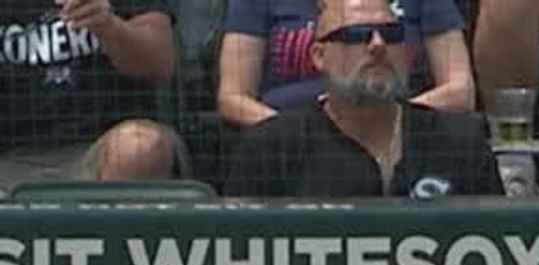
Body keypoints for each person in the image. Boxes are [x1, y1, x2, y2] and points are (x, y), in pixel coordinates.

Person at [226, 0, 504, 196]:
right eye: (356, 35)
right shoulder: (268, 152)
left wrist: (387, 112)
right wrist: (304, 136)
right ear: (318, 56)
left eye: (391, 33)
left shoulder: (461, 145)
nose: (377, 45)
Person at [0, 0, 182, 189]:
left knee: (140, 146)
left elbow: (160, 62)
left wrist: (109, 27)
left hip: (104, 149)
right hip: (10, 155)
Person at [216, 0, 474, 129]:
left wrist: (380, 120)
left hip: (402, 138)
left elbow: (460, 90)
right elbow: (233, 97)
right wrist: (296, 134)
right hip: (289, 150)